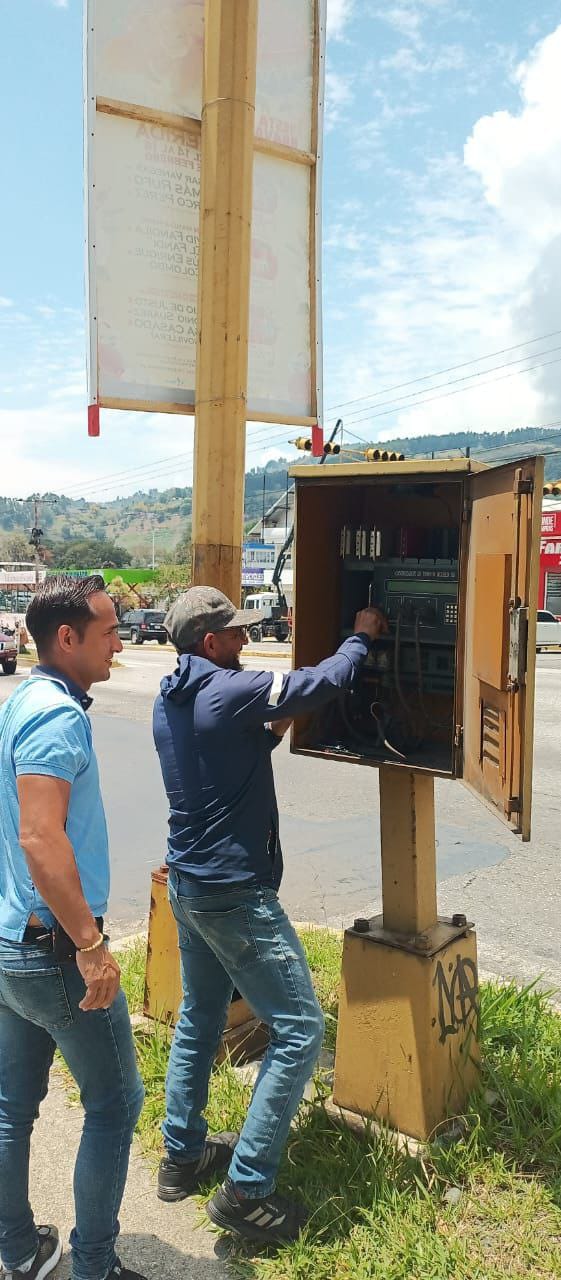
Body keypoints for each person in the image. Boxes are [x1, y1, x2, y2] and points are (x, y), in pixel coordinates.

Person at [152, 586, 387, 1245]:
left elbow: (234, 754)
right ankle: (247, 1190)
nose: (244, 642)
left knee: (199, 1019)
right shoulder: (228, 691)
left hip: (190, 889)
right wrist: (361, 633)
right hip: (233, 895)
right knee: (300, 1029)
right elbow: (322, 682)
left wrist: (272, 721)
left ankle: (182, 1156)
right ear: (208, 642)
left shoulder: (175, 693)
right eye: (234, 635)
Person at [0, 575, 145, 1280]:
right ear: (67, 638)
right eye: (110, 630)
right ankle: (94, 1266)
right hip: (50, 949)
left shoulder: (22, 698)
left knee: (11, 1108)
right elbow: (39, 838)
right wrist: (90, 947)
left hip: (10, 942)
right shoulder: (56, 715)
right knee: (117, 1103)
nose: (120, 641)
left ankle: (18, 1250)